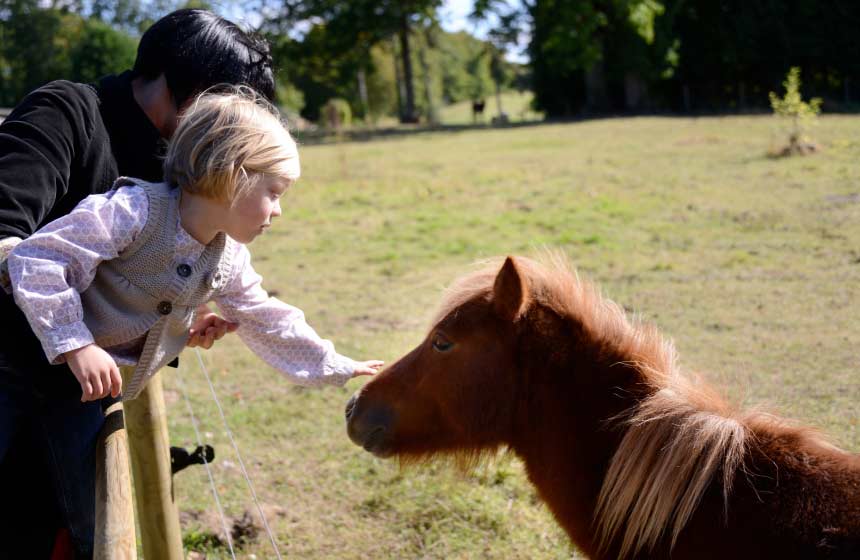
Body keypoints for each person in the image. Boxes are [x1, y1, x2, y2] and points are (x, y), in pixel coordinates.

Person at [6, 88, 385, 554]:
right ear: (232, 175)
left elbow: (267, 317)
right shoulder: (133, 211)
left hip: (77, 393)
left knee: (91, 513)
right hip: (16, 364)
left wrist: (334, 362)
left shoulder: (226, 257)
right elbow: (37, 258)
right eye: (274, 192)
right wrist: (76, 344)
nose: (279, 210)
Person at [0, 9, 278, 557]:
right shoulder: (66, 114)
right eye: (226, 107)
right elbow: (4, 237)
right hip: (10, 364)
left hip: (82, 389)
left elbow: (151, 267)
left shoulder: (180, 159)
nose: (230, 127)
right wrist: (70, 334)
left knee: (67, 531)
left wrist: (180, 313)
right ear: (186, 86)